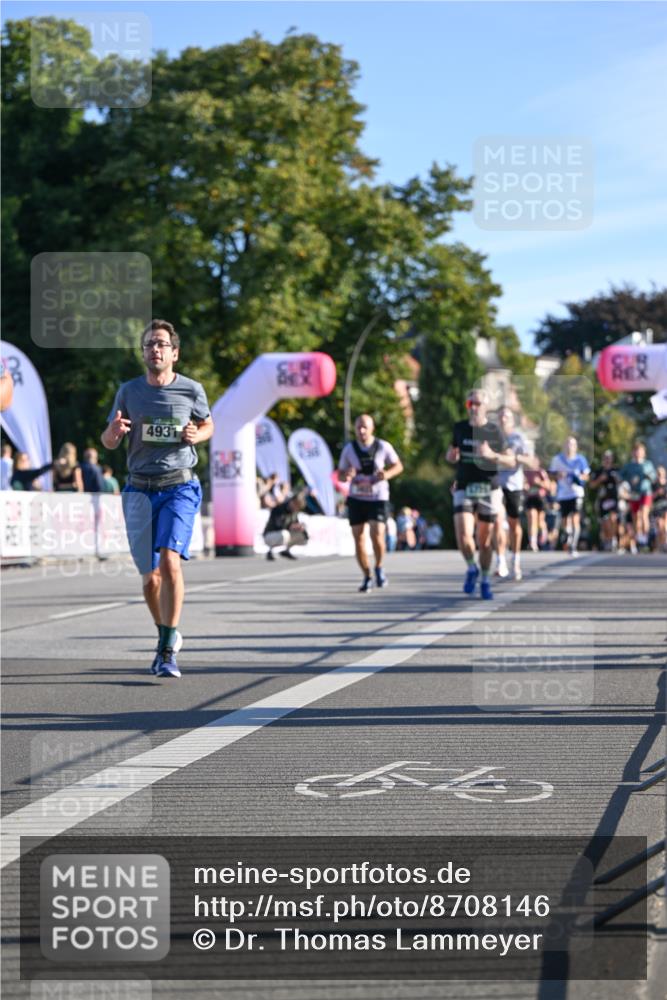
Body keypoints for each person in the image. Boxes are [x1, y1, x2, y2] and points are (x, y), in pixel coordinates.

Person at [101, 318, 213, 679]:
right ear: (143, 353)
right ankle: (166, 632)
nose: (155, 349)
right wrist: (113, 433)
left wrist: (197, 434)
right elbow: (108, 440)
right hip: (138, 489)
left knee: (169, 561)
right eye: (149, 344)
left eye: (161, 344)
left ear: (174, 353)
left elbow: (208, 424)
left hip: (179, 486)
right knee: (150, 579)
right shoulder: (128, 392)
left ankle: (166, 652)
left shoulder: (192, 390)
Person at [446, 388, 515, 600]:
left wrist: (491, 455)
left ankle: (485, 579)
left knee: (484, 541)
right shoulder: (460, 428)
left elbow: (510, 460)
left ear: (486, 407)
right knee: (463, 535)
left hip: (488, 488)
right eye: (470, 404)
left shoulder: (494, 431)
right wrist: (451, 456)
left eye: (478, 404)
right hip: (464, 486)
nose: (474, 408)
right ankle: (471, 567)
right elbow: (451, 452)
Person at [338, 414, 403, 592]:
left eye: (365, 427)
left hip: (378, 497)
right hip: (357, 498)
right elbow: (340, 474)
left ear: (372, 428)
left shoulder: (383, 446)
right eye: (358, 427)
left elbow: (398, 466)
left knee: (377, 534)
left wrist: (387, 474)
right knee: (359, 539)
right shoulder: (349, 449)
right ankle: (367, 575)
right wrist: (346, 475)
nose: (361, 431)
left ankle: (379, 567)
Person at [494, 407, 536, 581]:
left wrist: (515, 458)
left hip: (514, 484)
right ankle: (500, 561)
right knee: (497, 521)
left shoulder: (519, 438)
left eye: (506, 415)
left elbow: (531, 462)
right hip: (496, 484)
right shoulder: (493, 437)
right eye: (501, 415)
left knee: (513, 524)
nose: (503, 418)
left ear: (512, 419)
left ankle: (515, 559)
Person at [549, 437, 590, 556]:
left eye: (572, 444)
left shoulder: (580, 459)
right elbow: (551, 475)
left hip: (576, 493)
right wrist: (558, 475)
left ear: (576, 447)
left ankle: (573, 545)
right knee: (565, 519)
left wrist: (578, 477)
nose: (569, 446)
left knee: (575, 517)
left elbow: (586, 476)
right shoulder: (557, 459)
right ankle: (568, 535)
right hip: (563, 494)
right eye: (567, 444)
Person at [620, 440, 657, 551]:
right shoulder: (629, 466)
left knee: (644, 514)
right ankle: (639, 539)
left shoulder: (648, 464)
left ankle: (645, 539)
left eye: (640, 451)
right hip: (634, 493)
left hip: (646, 492)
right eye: (636, 451)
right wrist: (627, 483)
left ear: (644, 453)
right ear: (633, 452)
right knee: (636, 517)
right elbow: (620, 477)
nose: (638, 453)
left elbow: (654, 478)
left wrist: (647, 475)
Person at [589, 450, 622, 552]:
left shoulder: (616, 470)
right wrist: (600, 479)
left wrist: (617, 479)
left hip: (614, 499)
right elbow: (591, 485)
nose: (607, 460)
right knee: (605, 522)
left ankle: (613, 540)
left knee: (613, 519)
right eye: (605, 458)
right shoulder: (599, 471)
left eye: (609, 458)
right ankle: (607, 540)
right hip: (603, 500)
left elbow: (622, 482)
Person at [263, 491, 308, 560]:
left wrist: (299, 527)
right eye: (297, 506)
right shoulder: (279, 508)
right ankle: (271, 551)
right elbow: (278, 525)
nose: (297, 509)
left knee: (303, 536)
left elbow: (295, 523)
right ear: (293, 502)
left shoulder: (294, 512)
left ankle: (286, 551)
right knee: (284, 534)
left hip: (285, 533)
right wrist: (290, 526)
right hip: (270, 534)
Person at [524, 465, 552, 551]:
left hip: (540, 498)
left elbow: (548, 486)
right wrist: (525, 486)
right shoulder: (525, 472)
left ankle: (544, 531)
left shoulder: (541, 471)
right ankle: (533, 542)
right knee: (532, 519)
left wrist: (539, 483)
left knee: (540, 521)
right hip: (530, 498)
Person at [651, 465, 667, 553]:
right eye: (658, 473)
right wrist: (657, 493)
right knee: (660, 527)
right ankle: (661, 544)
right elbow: (651, 497)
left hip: (665, 506)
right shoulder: (654, 484)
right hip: (657, 508)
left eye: (661, 473)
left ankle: (664, 543)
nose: (660, 475)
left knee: (665, 527)